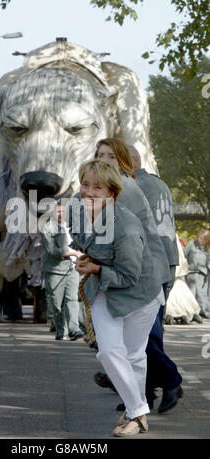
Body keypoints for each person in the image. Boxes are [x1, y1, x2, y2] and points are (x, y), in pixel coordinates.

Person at [72, 159, 163, 436]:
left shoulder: (126, 228)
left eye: (97, 188)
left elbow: (129, 277)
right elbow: (79, 236)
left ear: (112, 193)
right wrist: (85, 254)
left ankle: (134, 413)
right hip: (103, 289)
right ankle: (138, 411)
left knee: (134, 355)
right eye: (85, 184)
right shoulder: (78, 205)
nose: (88, 192)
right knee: (110, 351)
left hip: (139, 294)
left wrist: (96, 266)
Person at [93, 139, 183, 414]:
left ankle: (170, 382)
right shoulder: (157, 183)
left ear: (127, 161)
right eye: (101, 156)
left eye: (111, 157)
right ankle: (142, 394)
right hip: (160, 262)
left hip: (148, 268)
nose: (105, 162)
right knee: (141, 336)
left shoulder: (130, 186)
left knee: (146, 338)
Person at [40, 201, 84, 341]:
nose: (61, 214)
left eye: (64, 211)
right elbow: (53, 251)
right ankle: (61, 330)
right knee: (56, 304)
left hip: (72, 269)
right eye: (58, 211)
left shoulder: (72, 227)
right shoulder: (47, 229)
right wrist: (74, 253)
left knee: (72, 299)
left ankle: (74, 329)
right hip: (55, 270)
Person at [165, 237, 203, 324]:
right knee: (181, 292)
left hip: (170, 271)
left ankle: (171, 314)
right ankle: (190, 313)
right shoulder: (174, 237)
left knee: (171, 294)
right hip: (177, 271)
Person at [183, 229, 210, 319]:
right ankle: (190, 312)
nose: (201, 240)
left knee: (201, 294)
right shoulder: (192, 244)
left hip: (203, 274)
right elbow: (184, 255)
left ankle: (201, 312)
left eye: (204, 239)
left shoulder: (208, 249)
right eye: (200, 237)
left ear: (207, 240)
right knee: (192, 292)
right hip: (191, 272)